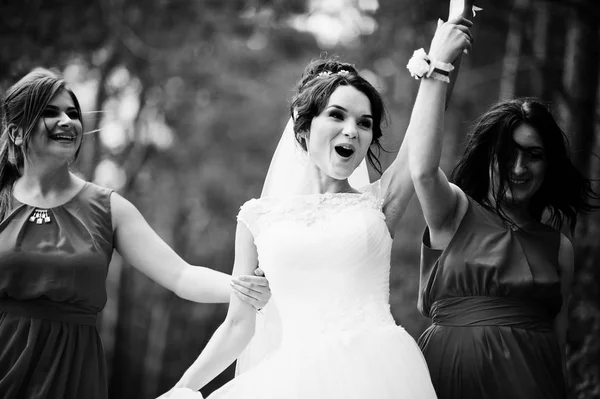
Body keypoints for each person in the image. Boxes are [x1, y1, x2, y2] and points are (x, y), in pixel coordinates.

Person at [158, 17, 473, 399]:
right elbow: (239, 326)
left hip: (378, 372)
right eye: (337, 115)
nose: (351, 131)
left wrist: (437, 67)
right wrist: (181, 390)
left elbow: (418, 146)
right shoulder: (257, 219)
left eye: (365, 123)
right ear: (304, 129)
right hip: (292, 380)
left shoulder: (379, 202)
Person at [0, 68, 272, 399]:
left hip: (72, 376)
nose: (67, 121)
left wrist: (241, 287)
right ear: (16, 133)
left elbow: (181, 275)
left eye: (72, 113)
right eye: (50, 112)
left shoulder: (108, 208)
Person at [408, 50, 598, 399]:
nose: (519, 167)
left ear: (549, 164)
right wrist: (437, 70)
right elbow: (421, 169)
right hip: (446, 377)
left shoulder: (560, 248)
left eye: (534, 155)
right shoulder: (453, 212)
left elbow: (557, 343)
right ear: (488, 157)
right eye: (508, 153)